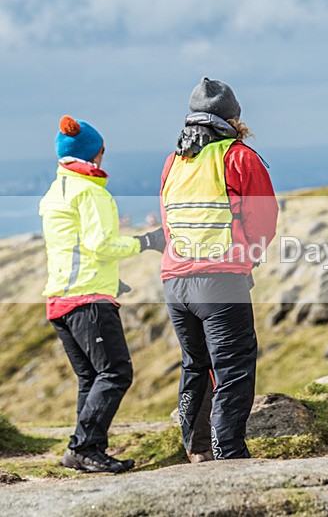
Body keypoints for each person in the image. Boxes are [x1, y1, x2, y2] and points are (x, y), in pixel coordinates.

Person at [160, 77, 278, 460]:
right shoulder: (239, 156)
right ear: (233, 119)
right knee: (233, 368)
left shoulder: (174, 162)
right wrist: (249, 257)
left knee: (195, 365)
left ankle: (197, 450)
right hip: (220, 283)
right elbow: (264, 219)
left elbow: (166, 221)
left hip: (175, 284)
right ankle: (228, 451)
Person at [40, 115, 165, 473]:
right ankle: (83, 447)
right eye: (102, 151)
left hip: (60, 299)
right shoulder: (90, 192)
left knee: (92, 378)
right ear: (93, 153)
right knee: (115, 372)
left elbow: (74, 247)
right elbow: (100, 244)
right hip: (87, 298)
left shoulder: (57, 191)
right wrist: (146, 241)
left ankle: (88, 450)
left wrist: (112, 280)